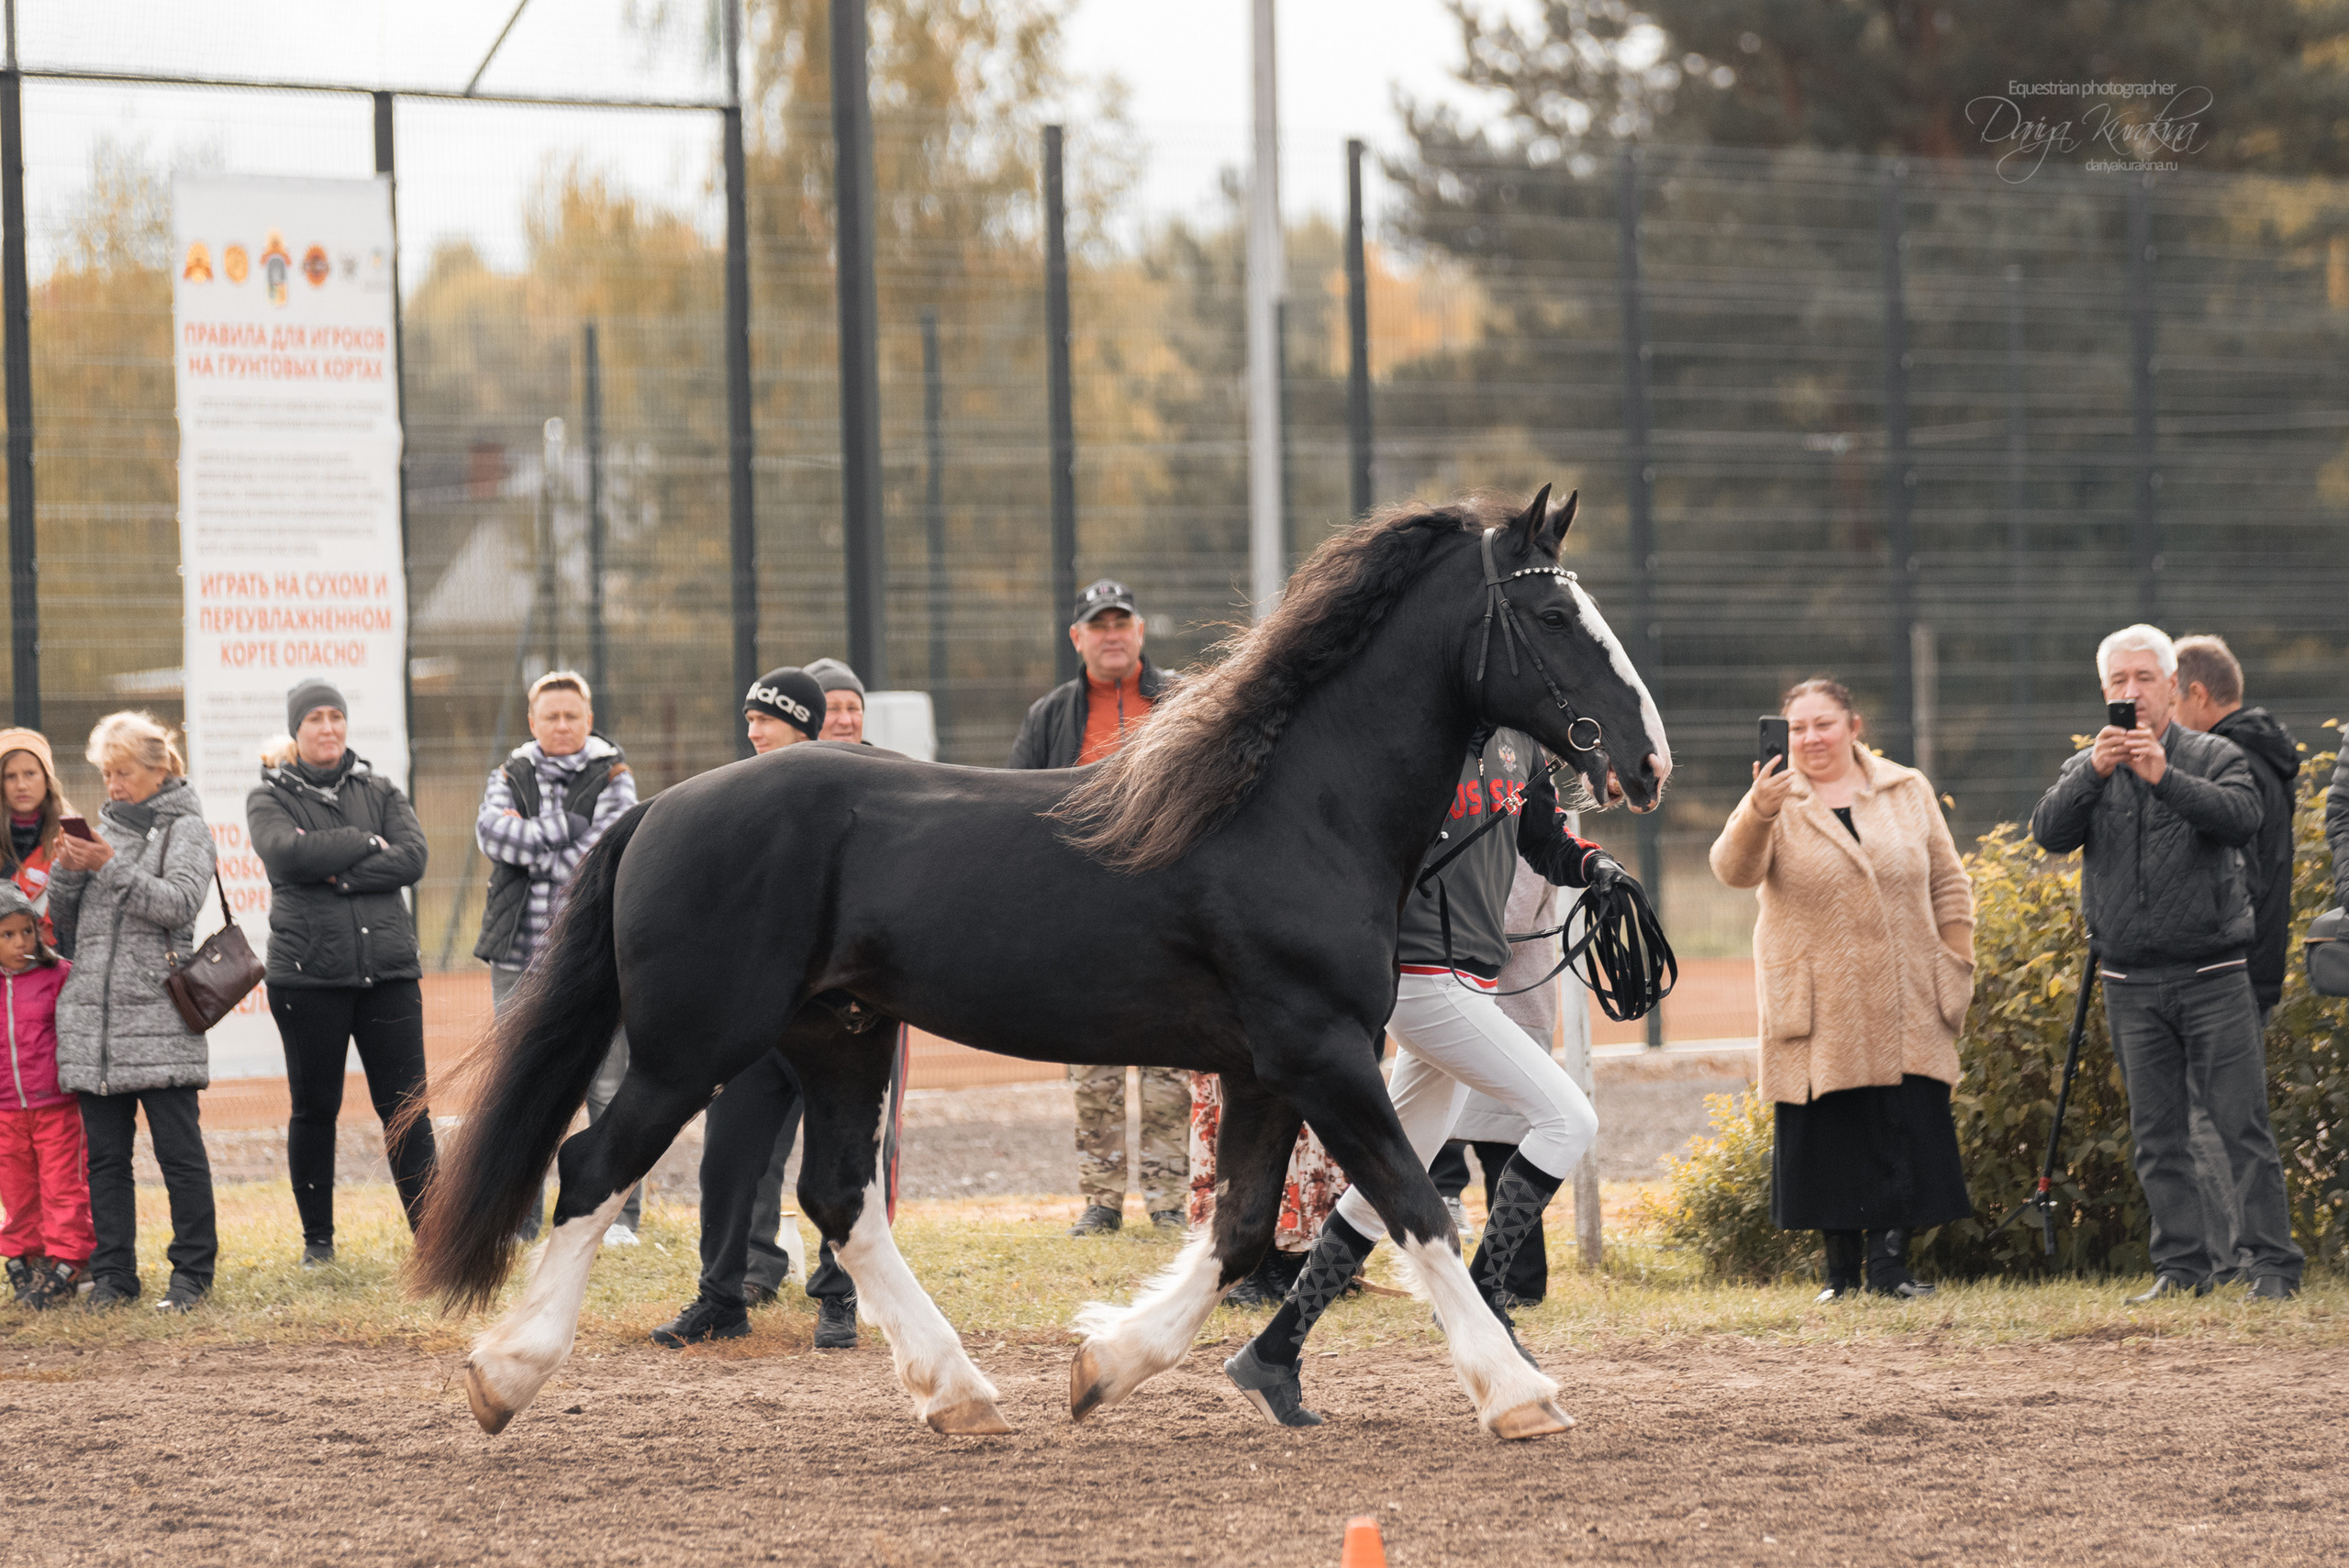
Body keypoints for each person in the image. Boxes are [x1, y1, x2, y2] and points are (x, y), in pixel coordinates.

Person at [1223, 728, 1620, 1427]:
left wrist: (1593, 866)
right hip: (1421, 977)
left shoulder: (1520, 746)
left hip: (1471, 973)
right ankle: (1487, 1304)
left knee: (1384, 1182)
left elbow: (1544, 839)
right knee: (1569, 1119)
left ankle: (1273, 1351)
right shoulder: (1424, 731)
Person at [2031, 624, 2303, 1301]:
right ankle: (2183, 1268)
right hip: (2128, 980)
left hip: (2213, 974)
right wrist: (2094, 773)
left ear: (2173, 687)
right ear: (2104, 691)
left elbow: (2242, 816)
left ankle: (2272, 1264)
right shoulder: (2087, 768)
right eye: (2118, 682)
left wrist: (2164, 775)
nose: (2132, 692)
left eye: (2144, 679)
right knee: (2158, 1137)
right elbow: (2049, 832)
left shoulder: (2213, 754)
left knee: (2242, 1125)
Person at [1709, 678, 1976, 1303]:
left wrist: (1957, 957)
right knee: (1832, 1132)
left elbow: (1948, 879)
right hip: (1819, 999)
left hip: (1908, 990)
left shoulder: (1905, 788)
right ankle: (1839, 1275)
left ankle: (1891, 1268)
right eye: (1797, 727)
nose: (1809, 738)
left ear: (1854, 727)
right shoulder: (1774, 798)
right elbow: (1732, 869)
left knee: (1901, 1121)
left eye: (1823, 724)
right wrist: (1759, 807)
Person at [653, 667, 867, 1351]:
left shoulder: (849, 804)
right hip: (753, 1027)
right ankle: (721, 1296)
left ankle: (839, 1298)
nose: (751, 730)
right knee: (727, 1160)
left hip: (830, 1025)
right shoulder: (735, 800)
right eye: (747, 719)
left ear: (800, 726)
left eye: (764, 719)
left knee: (838, 1165)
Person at [1008, 578, 1186, 1236]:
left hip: (1169, 905)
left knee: (1175, 1056)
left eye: (1123, 622)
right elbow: (1020, 804)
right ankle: (1102, 1197)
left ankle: (1170, 1194)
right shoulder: (1051, 715)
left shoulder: (1183, 704)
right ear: (1078, 637)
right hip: (1082, 909)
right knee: (1092, 1059)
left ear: (1140, 632)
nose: (1112, 634)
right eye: (1098, 624)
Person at [248, 680, 436, 1267]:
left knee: (407, 1108)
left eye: (336, 717)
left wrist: (340, 873)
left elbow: (413, 857)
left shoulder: (380, 787)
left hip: (389, 974)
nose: (327, 728)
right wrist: (362, 841)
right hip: (307, 981)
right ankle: (318, 1244)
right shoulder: (268, 797)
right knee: (314, 1108)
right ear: (296, 730)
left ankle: (434, 1238)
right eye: (314, 719)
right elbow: (286, 854)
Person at [49, 712, 218, 1313]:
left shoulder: (189, 828)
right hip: (94, 1021)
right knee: (106, 1158)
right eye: (106, 773)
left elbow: (177, 904)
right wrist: (68, 869)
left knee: (179, 1153)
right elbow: (66, 924)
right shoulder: (103, 829)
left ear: (158, 768)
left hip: (161, 1020)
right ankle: (116, 1275)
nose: (113, 785)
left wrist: (107, 866)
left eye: (123, 773)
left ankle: (193, 1274)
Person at [475, 670, 640, 1244]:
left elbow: (602, 854)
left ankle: (618, 1218)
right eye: (552, 716)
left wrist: (536, 842)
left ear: (588, 720)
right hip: (518, 959)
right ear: (533, 722)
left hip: (596, 958)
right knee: (521, 1085)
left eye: (573, 716)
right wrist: (563, 831)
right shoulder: (509, 773)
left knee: (608, 1086)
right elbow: (491, 835)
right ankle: (517, 1221)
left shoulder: (615, 776)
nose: (563, 725)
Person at [2173, 636, 2300, 1284]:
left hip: (2228, 967)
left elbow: (2234, 875)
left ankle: (2235, 1261)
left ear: (2196, 694)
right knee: (2225, 1113)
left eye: (2170, 694)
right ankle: (2241, 1258)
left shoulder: (2232, 762)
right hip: (2259, 960)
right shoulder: (2269, 755)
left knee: (2209, 1115)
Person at [1427, 855, 1589, 1308]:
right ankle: (1497, 1272)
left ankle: (1517, 1281)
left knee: (1507, 1147)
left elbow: (1508, 922)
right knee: (1484, 1139)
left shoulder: (1521, 838)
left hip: (1511, 1009)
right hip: (1475, 1008)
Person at [0, 882, 84, 1308]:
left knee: (63, 1187)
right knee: (16, 1190)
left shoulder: (59, 975)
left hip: (56, 1107)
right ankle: (26, 1258)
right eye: (7, 935)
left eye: (26, 932)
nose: (20, 943)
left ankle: (69, 1262)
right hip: (6, 1112)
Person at [0, 728, 71, 950]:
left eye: (30, 774)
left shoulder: (71, 836)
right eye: (10, 776)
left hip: (55, 964)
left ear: (47, 779)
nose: (21, 785)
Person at [806, 657, 867, 743]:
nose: (845, 721)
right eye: (832, 709)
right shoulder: (787, 757)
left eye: (852, 708)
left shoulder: (885, 756)